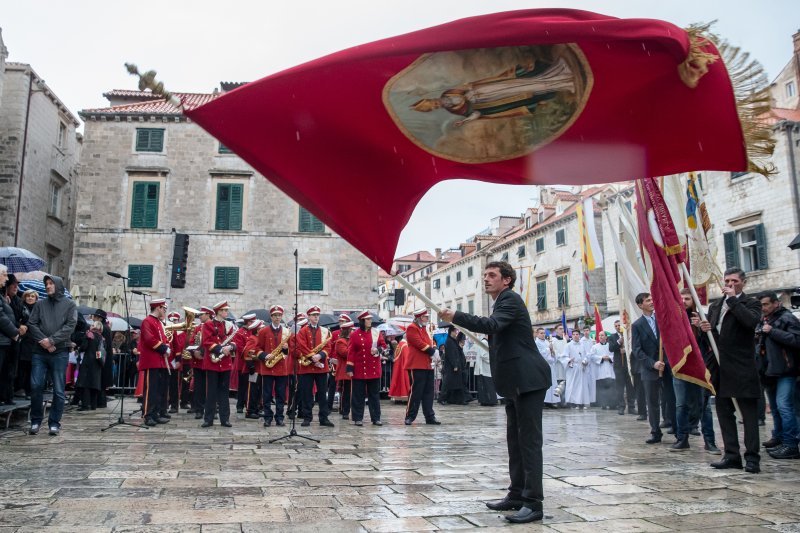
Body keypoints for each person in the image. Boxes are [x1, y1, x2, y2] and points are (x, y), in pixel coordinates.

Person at [440, 260, 552, 524]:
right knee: (515, 441)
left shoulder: (510, 300)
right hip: (515, 382)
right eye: (485, 275)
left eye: (492, 275)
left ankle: (534, 503)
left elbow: (491, 326)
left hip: (529, 380)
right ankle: (516, 494)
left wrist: (456, 316)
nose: (487, 279)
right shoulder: (501, 301)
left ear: (507, 280)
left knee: (530, 443)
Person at [696, 268, 762, 473]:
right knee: (724, 412)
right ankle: (732, 455)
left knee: (748, 414)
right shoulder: (716, 305)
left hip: (741, 366)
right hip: (719, 365)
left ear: (743, 282)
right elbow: (713, 338)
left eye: (734, 280)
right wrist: (704, 328)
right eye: (727, 280)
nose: (730, 283)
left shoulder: (751, 303)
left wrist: (734, 301)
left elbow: (750, 323)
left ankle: (752, 457)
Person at [26, 275, 77, 436]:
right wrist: (44, 341)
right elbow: (31, 323)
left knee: (59, 390)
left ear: (58, 285)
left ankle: (54, 423)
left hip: (59, 352)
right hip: (39, 352)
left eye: (50, 283)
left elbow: (70, 325)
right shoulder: (40, 304)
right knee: (35, 386)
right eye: (46, 284)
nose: (48, 286)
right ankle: (35, 420)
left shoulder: (69, 304)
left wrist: (52, 340)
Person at [757, 292, 800, 459]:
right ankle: (780, 438)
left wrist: (773, 331)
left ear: (776, 303)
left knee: (784, 406)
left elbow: (797, 340)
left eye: (766, 304)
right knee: (775, 408)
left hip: (786, 370)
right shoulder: (763, 320)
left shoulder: (787, 318)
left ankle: (791, 444)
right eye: (761, 305)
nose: (763, 308)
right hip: (769, 370)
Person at [679, 289, 721, 455]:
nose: (684, 301)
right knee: (681, 404)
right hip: (681, 367)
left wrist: (702, 328)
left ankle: (709, 441)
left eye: (687, 298)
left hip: (701, 366)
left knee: (704, 406)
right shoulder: (676, 318)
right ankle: (682, 438)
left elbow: (710, 342)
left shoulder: (702, 317)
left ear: (693, 300)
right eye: (681, 298)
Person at [632, 292, 676, 444]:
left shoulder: (662, 319)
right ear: (640, 305)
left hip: (668, 366)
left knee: (671, 399)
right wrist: (652, 363)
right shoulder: (637, 325)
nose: (651, 302)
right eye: (648, 300)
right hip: (650, 369)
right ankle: (655, 432)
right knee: (652, 402)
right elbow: (637, 350)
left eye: (652, 299)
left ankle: (677, 430)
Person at [295, 306, 334, 427]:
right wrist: (313, 357)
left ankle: (324, 418)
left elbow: (328, 347)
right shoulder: (302, 331)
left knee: (322, 393)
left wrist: (320, 355)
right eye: (313, 315)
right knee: (307, 393)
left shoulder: (324, 331)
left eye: (317, 315)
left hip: (321, 366)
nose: (316, 317)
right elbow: (301, 345)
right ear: (309, 317)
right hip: (307, 367)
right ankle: (307, 417)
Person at [346, 310, 387, 426]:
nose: (370, 321)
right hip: (359, 369)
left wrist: (378, 350)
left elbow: (384, 346)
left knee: (374, 395)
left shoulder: (376, 332)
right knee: (358, 395)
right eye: (368, 319)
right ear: (362, 321)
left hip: (373, 369)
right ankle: (357, 418)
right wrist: (349, 368)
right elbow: (351, 352)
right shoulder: (354, 335)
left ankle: (376, 418)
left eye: (370, 319)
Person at [254, 305, 291, 427]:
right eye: (275, 315)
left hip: (281, 367)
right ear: (271, 317)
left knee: (281, 395)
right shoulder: (263, 331)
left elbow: (290, 351)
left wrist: (286, 349)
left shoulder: (286, 332)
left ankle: (280, 417)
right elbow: (257, 348)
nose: (277, 318)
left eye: (279, 315)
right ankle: (268, 417)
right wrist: (264, 355)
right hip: (267, 367)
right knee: (267, 394)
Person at [202, 301, 236, 428]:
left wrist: (231, 347)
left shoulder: (229, 325)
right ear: (219, 311)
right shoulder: (208, 324)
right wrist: (220, 349)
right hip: (212, 362)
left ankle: (225, 419)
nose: (227, 312)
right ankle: (208, 419)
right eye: (225, 310)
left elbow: (235, 341)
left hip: (225, 362)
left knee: (224, 392)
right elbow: (206, 341)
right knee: (211, 391)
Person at [404, 308, 440, 426]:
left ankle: (429, 416)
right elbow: (418, 343)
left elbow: (428, 342)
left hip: (427, 364)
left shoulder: (424, 329)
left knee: (428, 392)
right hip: (417, 364)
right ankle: (410, 416)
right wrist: (432, 351)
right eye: (425, 317)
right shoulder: (412, 328)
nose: (427, 319)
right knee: (416, 392)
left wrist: (434, 350)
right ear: (419, 317)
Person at [138, 298, 171, 427]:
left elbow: (162, 338)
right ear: (158, 308)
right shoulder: (147, 321)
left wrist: (167, 346)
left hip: (159, 361)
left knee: (158, 390)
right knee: (151, 390)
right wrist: (164, 347)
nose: (165, 311)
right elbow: (148, 339)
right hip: (151, 361)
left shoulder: (158, 322)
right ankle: (148, 415)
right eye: (164, 308)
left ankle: (156, 413)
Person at [0, 267, 24, 408]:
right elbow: (1, 317)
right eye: (4, 275)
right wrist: (14, 332)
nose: (7, 278)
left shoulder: (6, 298)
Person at [76, 320, 106, 411]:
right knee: (94, 384)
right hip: (97, 362)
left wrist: (79, 349)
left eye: (92, 324)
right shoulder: (101, 338)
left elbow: (84, 347)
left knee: (85, 384)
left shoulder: (89, 335)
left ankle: (85, 405)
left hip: (88, 362)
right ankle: (93, 405)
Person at [189, 306, 213, 419]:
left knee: (211, 387)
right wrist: (195, 352)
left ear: (208, 314)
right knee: (199, 386)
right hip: (198, 362)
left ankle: (211, 409)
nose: (199, 316)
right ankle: (199, 409)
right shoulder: (198, 328)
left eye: (202, 314)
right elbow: (192, 341)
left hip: (210, 361)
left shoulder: (213, 326)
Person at [608, 320, 635, 416]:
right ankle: (621, 407)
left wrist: (626, 350)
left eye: (619, 325)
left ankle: (631, 407)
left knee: (630, 386)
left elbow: (633, 346)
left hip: (628, 365)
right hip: (619, 365)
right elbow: (611, 348)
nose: (618, 327)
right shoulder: (612, 337)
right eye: (616, 326)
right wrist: (619, 342)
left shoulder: (628, 335)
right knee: (619, 387)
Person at [16, 289, 38, 398]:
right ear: (25, 297)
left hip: (33, 341)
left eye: (32, 296)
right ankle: (20, 388)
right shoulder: (21, 307)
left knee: (31, 367)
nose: (30, 298)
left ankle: (28, 390)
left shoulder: (38, 309)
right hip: (22, 339)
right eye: (28, 296)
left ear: (36, 298)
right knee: (21, 366)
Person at [561, 330, 591, 409]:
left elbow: (587, 355)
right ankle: (573, 403)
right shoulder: (568, 345)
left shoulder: (583, 345)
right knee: (573, 385)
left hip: (581, 367)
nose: (575, 336)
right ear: (572, 336)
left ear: (579, 335)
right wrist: (569, 360)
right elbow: (563, 356)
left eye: (577, 334)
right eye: (573, 334)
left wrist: (585, 361)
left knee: (582, 385)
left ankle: (581, 402)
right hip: (572, 367)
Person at [334, 320, 354, 419]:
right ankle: (344, 410)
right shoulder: (340, 341)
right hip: (344, 371)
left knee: (350, 392)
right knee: (345, 392)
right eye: (351, 330)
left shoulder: (350, 341)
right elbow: (345, 353)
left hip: (352, 370)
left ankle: (348, 409)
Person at [591, 332, 616, 409]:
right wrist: (601, 358)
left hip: (610, 369)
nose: (600, 337)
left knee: (611, 388)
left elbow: (615, 355)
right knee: (601, 389)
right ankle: (603, 404)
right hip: (600, 370)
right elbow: (592, 356)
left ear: (606, 337)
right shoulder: (595, 347)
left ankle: (612, 404)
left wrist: (609, 358)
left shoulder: (610, 346)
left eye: (602, 335)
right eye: (599, 335)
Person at [534, 328, 559, 406]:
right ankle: (544, 401)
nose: (543, 334)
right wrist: (549, 349)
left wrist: (553, 353)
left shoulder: (547, 342)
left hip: (550, 365)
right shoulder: (536, 343)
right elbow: (539, 353)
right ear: (537, 334)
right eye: (541, 333)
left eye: (544, 333)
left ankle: (552, 401)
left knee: (552, 383)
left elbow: (552, 352)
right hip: (542, 366)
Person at [442, 326, 465, 405]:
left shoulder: (453, 341)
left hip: (455, 366)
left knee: (456, 383)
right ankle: (443, 398)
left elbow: (457, 352)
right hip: (451, 367)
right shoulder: (449, 341)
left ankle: (456, 399)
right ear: (451, 332)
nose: (456, 333)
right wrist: (455, 365)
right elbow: (451, 354)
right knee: (448, 383)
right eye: (455, 331)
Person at [388, 335, 410, 402]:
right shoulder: (405, 345)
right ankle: (404, 397)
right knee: (403, 381)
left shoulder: (400, 344)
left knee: (398, 381)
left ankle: (397, 398)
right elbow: (407, 358)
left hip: (398, 366)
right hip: (403, 366)